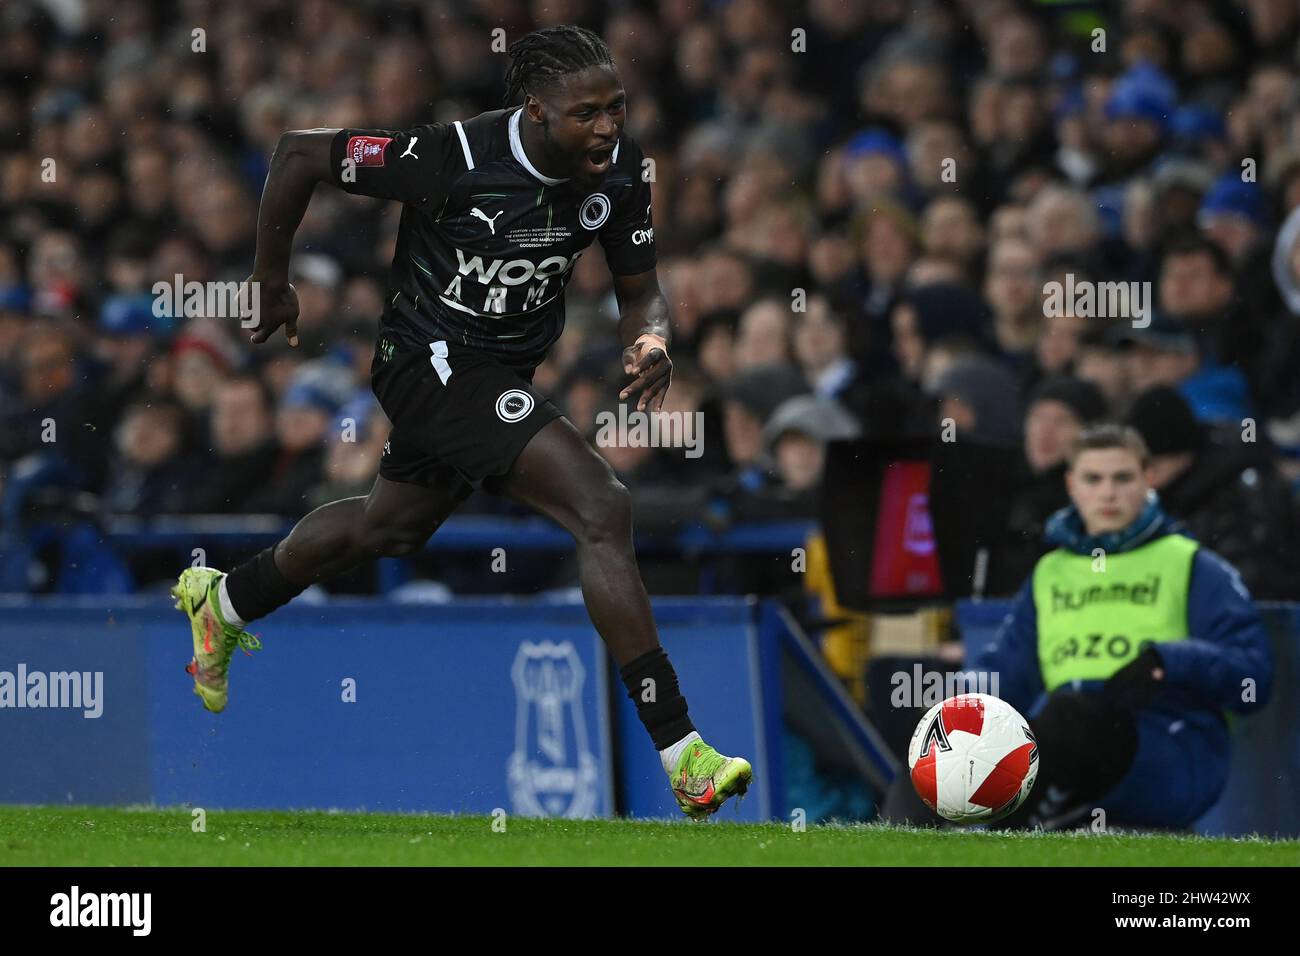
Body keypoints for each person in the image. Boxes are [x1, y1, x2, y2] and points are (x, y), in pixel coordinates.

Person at [170, 25, 751, 819]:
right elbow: (300, 152)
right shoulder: (452, 155)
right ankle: (682, 750)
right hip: (425, 359)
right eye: (588, 113)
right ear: (537, 112)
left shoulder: (615, 175)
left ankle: (227, 601)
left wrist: (649, 336)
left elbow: (638, 284)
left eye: (616, 107)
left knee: (390, 528)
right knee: (601, 505)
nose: (609, 127)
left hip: (497, 373)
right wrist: (270, 278)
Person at [884, 424, 1273, 830]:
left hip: (1168, 746)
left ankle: (1006, 842)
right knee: (942, 724)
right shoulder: (1050, 571)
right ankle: (901, 847)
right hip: (1068, 738)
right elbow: (1009, 673)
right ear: (1071, 484)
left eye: (1122, 478)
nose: (1108, 493)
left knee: (1069, 717)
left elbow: (1253, 675)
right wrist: (955, 702)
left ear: (1150, 480)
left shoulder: (1193, 563)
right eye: (1093, 479)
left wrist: (1167, 662)